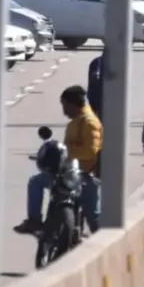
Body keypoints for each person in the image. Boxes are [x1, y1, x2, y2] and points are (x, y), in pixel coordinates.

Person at [15, 86, 102, 235]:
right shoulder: (77, 121)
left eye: (65, 105)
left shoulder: (89, 122)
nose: (64, 110)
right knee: (37, 181)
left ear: (73, 104)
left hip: (84, 177)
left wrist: (67, 154)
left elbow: (91, 151)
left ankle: (35, 220)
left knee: (95, 222)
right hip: (68, 174)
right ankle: (36, 221)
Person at [86, 52, 104, 119]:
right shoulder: (98, 62)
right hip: (97, 97)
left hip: (96, 96)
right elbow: (95, 77)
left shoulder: (97, 61)